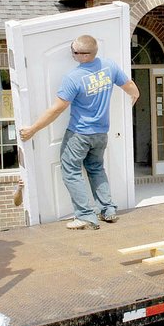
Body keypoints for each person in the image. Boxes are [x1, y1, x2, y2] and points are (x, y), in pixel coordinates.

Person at [19, 35, 139, 230]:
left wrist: (32, 130)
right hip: (101, 134)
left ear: (80, 55)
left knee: (71, 171)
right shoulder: (109, 67)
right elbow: (131, 87)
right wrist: (135, 96)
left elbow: (56, 109)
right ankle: (108, 210)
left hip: (80, 134)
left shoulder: (73, 78)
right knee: (96, 169)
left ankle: (85, 216)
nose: (71, 53)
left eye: (72, 50)